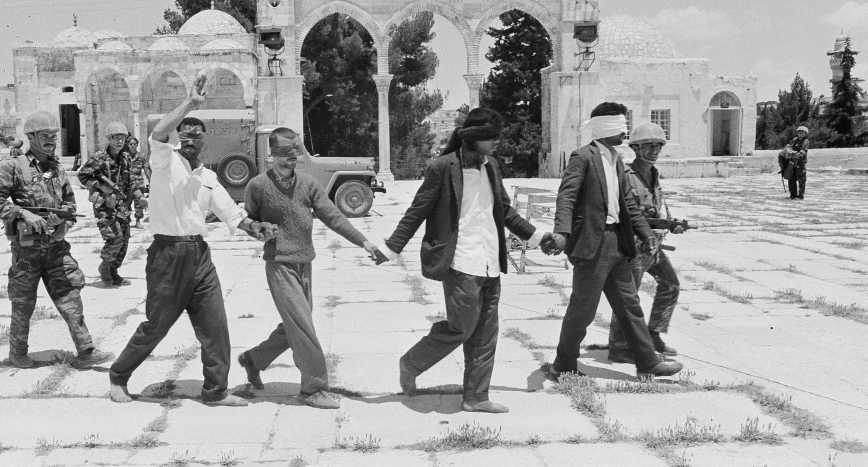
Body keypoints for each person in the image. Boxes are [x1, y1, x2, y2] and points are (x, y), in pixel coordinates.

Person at [108, 75, 276, 406]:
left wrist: (258, 229)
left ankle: (215, 391)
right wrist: (191, 103)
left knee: (216, 327)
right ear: (178, 137)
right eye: (184, 132)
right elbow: (157, 134)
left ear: (204, 142)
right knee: (155, 326)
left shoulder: (209, 177)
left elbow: (233, 214)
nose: (189, 138)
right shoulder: (164, 160)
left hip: (199, 256)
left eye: (196, 134)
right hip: (167, 256)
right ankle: (119, 376)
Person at [374, 107, 542, 414]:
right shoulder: (443, 167)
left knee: (486, 331)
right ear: (474, 138)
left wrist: (537, 237)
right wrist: (391, 248)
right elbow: (417, 211)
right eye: (491, 138)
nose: (496, 144)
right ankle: (411, 363)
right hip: (460, 260)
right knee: (462, 327)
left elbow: (504, 211)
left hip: (490, 259)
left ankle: (476, 397)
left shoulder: (491, 166)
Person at [238, 128, 380, 410]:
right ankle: (313, 388)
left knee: (295, 325)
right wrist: (259, 231)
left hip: (305, 264)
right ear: (271, 156)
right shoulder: (257, 186)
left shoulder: (308, 183)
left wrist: (364, 242)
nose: (291, 162)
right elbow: (248, 221)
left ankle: (253, 359)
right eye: (285, 157)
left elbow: (333, 216)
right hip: (278, 265)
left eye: (295, 156)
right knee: (303, 325)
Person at [540, 102, 683, 381]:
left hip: (618, 243)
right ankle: (564, 363)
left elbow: (628, 203)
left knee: (630, 306)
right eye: (621, 125)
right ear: (606, 126)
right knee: (583, 311)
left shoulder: (616, 159)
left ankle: (646, 361)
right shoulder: (582, 157)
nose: (625, 131)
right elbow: (566, 197)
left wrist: (645, 234)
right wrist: (561, 233)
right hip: (593, 246)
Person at [0, 111, 113, 369]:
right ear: (31, 137)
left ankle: (86, 351)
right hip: (27, 251)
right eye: (45, 136)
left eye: (54, 136)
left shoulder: (56, 168)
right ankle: (18, 353)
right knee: (23, 304)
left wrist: (63, 225)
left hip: (56, 248)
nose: (51, 141)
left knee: (71, 298)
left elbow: (69, 203)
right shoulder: (14, 166)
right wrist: (23, 214)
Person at [607, 123, 683, 364]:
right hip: (635, 247)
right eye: (648, 146)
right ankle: (619, 346)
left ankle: (653, 334)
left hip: (653, 245)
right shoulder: (627, 176)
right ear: (636, 148)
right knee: (629, 297)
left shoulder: (654, 175)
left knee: (670, 285)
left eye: (658, 146)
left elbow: (653, 211)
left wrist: (670, 224)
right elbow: (628, 213)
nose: (654, 150)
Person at [77, 122, 146, 286]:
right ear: (109, 139)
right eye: (116, 138)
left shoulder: (126, 157)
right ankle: (105, 267)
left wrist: (140, 198)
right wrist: (100, 187)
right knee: (114, 238)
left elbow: (131, 182)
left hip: (122, 205)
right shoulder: (99, 158)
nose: (120, 141)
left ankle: (114, 270)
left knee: (125, 239)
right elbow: (83, 176)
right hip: (105, 205)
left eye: (122, 138)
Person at [779, 126, 810, 200]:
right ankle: (793, 195)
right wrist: (793, 153)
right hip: (792, 163)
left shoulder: (806, 141)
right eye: (799, 133)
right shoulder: (795, 140)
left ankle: (801, 196)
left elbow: (801, 154)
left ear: (805, 134)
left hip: (800, 164)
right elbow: (787, 148)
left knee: (801, 180)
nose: (801, 134)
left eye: (802, 133)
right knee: (791, 179)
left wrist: (792, 154)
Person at [126, 137, 151, 229]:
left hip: (138, 183)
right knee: (126, 204)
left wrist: (150, 180)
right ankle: (126, 222)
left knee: (139, 203)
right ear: (128, 145)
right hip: (127, 184)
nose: (133, 145)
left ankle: (138, 221)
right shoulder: (124, 156)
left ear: (137, 145)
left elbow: (146, 169)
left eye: (134, 144)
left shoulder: (141, 156)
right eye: (131, 144)